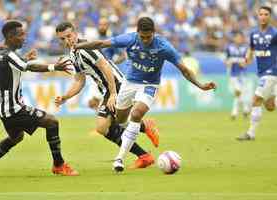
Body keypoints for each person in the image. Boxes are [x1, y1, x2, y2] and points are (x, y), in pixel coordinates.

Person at [75, 17, 216, 172]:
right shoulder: (130, 39)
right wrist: (79, 45)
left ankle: (119, 159)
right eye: (142, 37)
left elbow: (183, 69)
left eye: (149, 37)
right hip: (129, 83)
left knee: (136, 113)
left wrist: (201, 85)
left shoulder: (164, 47)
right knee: (119, 121)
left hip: (149, 85)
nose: (146, 40)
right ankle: (145, 126)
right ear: (138, 33)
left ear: (154, 33)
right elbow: (101, 44)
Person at [0, 20, 79, 177]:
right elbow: (29, 67)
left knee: (16, 137)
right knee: (52, 122)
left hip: (3, 109)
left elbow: (12, 65)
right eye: (21, 34)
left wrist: (24, 59)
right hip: (14, 108)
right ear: (10, 36)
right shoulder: (9, 55)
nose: (24, 38)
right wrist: (54, 67)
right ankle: (59, 165)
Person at [54, 22, 159, 169]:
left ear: (75, 33)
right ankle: (144, 147)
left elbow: (105, 66)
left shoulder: (85, 48)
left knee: (103, 126)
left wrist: (113, 93)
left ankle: (144, 144)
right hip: (107, 89)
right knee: (109, 126)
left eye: (68, 36)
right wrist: (65, 97)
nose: (66, 41)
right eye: (62, 39)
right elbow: (79, 80)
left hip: (116, 85)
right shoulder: (73, 54)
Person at [237, 6, 277, 141]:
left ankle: (250, 133)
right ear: (258, 16)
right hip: (262, 72)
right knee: (270, 106)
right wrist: (246, 59)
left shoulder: (275, 33)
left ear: (270, 16)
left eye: (266, 14)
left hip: (272, 71)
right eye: (261, 14)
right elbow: (251, 49)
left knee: (256, 100)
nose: (263, 16)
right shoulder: (254, 34)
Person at [87, 17, 127, 110]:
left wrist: (112, 63)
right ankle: (107, 120)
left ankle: (110, 120)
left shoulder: (111, 39)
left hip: (107, 73)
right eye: (100, 24)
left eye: (104, 24)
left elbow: (123, 55)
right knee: (92, 103)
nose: (102, 27)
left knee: (103, 101)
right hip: (95, 73)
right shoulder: (93, 38)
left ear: (108, 26)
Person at [225, 31, 249, 120]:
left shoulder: (245, 49)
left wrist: (243, 63)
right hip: (233, 74)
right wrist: (229, 63)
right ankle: (235, 111)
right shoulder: (229, 48)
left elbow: (247, 62)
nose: (238, 39)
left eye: (240, 38)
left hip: (243, 74)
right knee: (238, 91)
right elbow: (226, 61)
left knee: (240, 92)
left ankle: (243, 110)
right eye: (237, 37)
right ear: (234, 38)